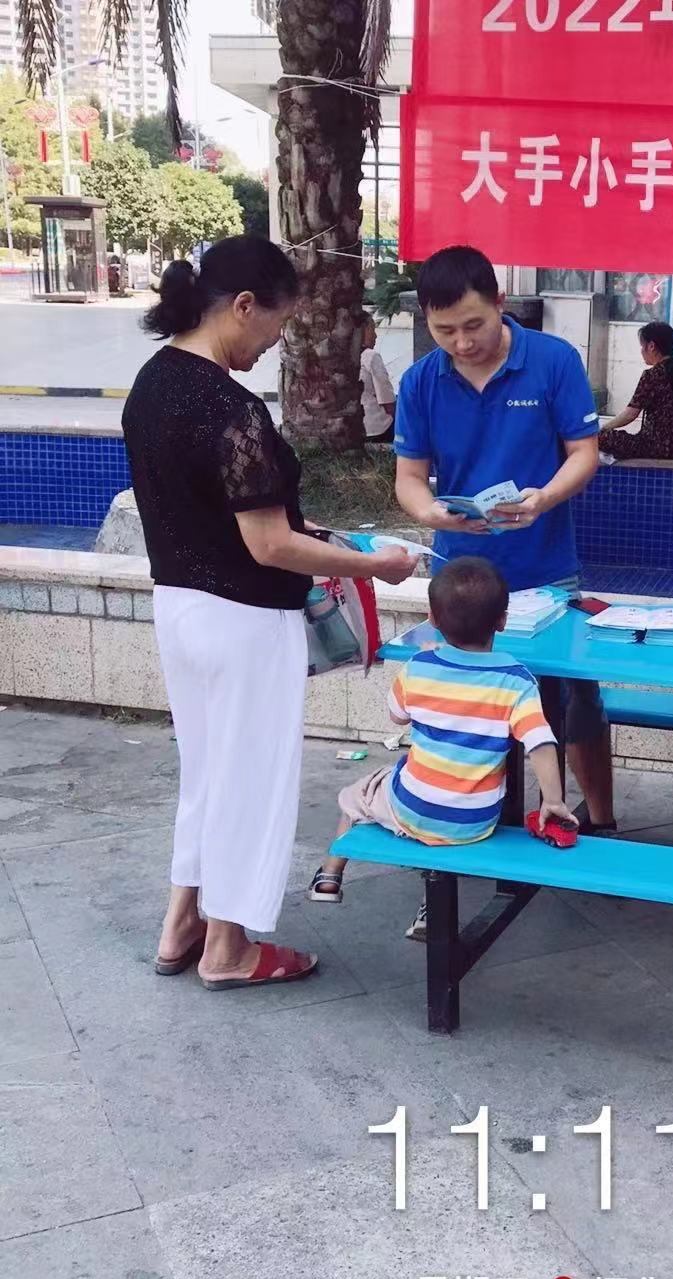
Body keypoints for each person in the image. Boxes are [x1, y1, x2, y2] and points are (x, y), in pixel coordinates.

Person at [122, 235, 417, 990]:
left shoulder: (151, 384)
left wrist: (308, 531)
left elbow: (212, 512)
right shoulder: (230, 406)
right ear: (244, 306)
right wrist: (375, 566)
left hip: (181, 611)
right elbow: (268, 545)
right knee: (250, 779)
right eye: (278, 325)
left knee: (207, 774)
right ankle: (228, 947)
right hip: (245, 622)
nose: (276, 343)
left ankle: (181, 924)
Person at [392, 245, 615, 940]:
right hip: (462, 578)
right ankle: (453, 853)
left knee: (567, 699)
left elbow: (584, 454)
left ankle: (598, 821)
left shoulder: (552, 361)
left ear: (499, 303)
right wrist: (433, 514)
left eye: (473, 325)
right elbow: (409, 478)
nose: (462, 342)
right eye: (444, 331)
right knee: (459, 712)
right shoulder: (422, 381)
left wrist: (543, 498)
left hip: (545, 568)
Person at [307, 557, 577, 900]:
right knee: (420, 791)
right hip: (476, 821)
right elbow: (540, 742)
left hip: (412, 809)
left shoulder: (419, 666)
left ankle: (329, 875)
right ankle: (428, 905)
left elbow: (397, 717)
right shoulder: (517, 681)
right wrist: (553, 801)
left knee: (358, 795)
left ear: (432, 619)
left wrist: (425, 663)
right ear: (503, 621)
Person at [599, 321, 673, 462]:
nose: (641, 351)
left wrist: (603, 428)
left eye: (642, 346)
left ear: (651, 346)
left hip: (655, 448)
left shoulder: (652, 375)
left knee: (599, 437)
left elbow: (630, 415)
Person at [359, 309, 396, 442]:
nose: (375, 336)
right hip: (377, 427)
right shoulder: (371, 356)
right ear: (362, 330)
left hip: (354, 429)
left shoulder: (340, 357)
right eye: (372, 330)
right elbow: (386, 398)